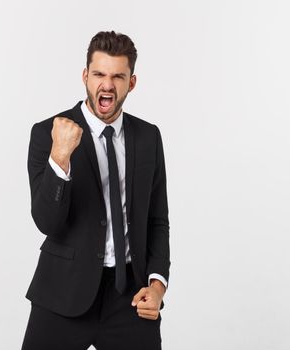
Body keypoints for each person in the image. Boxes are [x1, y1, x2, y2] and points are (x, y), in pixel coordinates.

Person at [22, 30, 171, 350]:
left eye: (118, 76)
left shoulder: (148, 138)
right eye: (99, 74)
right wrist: (59, 157)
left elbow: (157, 220)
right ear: (85, 76)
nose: (107, 84)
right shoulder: (48, 132)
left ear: (131, 82)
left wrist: (157, 285)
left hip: (129, 298)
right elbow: (46, 222)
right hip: (63, 294)